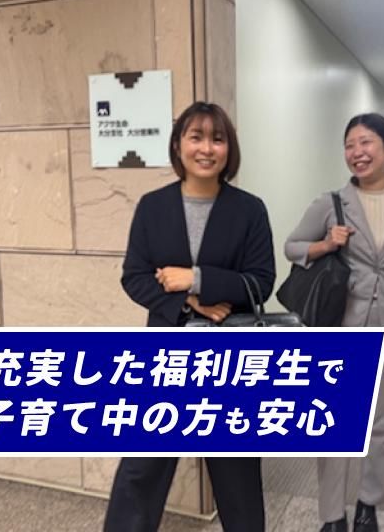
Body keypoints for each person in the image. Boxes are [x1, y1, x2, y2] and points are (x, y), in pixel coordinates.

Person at [104, 101, 276, 532]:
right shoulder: (153, 206)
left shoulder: (249, 209)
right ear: (178, 145)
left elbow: (261, 282)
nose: (206, 148)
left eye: (217, 139)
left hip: (230, 359)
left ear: (229, 149)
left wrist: (195, 278)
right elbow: (134, 276)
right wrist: (187, 302)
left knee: (237, 477)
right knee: (140, 471)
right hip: (165, 353)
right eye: (196, 137)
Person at [285, 113, 384, 532]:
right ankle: (332, 515)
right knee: (333, 424)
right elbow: (292, 246)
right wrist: (324, 244)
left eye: (366, 142)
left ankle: (368, 505)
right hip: (340, 326)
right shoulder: (330, 203)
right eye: (350, 145)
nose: (357, 152)